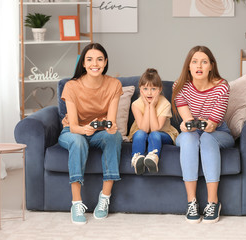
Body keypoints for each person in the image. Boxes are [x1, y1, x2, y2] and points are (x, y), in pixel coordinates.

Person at [58, 43, 123, 225]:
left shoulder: (114, 84)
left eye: (99, 59)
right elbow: (73, 127)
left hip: (99, 132)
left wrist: (111, 128)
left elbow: (110, 122)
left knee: (114, 136)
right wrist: (84, 129)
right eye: (90, 59)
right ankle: (76, 203)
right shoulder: (71, 86)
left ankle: (105, 197)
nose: (95, 63)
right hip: (73, 131)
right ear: (84, 64)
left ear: (105, 62)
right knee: (78, 141)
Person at [172, 46, 234, 224]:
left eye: (204, 62)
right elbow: (188, 120)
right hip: (191, 133)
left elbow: (213, 125)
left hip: (218, 132)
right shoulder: (180, 86)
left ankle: (213, 202)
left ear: (211, 66)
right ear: (189, 66)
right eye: (194, 61)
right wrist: (186, 124)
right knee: (191, 138)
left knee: (206, 137)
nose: (199, 66)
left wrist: (207, 125)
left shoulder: (222, 86)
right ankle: (191, 202)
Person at [128, 68, 178, 175]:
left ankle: (153, 157)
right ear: (140, 90)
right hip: (142, 131)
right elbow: (144, 129)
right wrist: (147, 106)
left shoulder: (165, 104)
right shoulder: (136, 105)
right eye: (145, 89)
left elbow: (155, 128)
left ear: (159, 89)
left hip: (163, 133)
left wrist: (153, 106)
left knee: (154, 134)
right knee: (140, 134)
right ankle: (137, 159)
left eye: (153, 89)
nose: (149, 93)